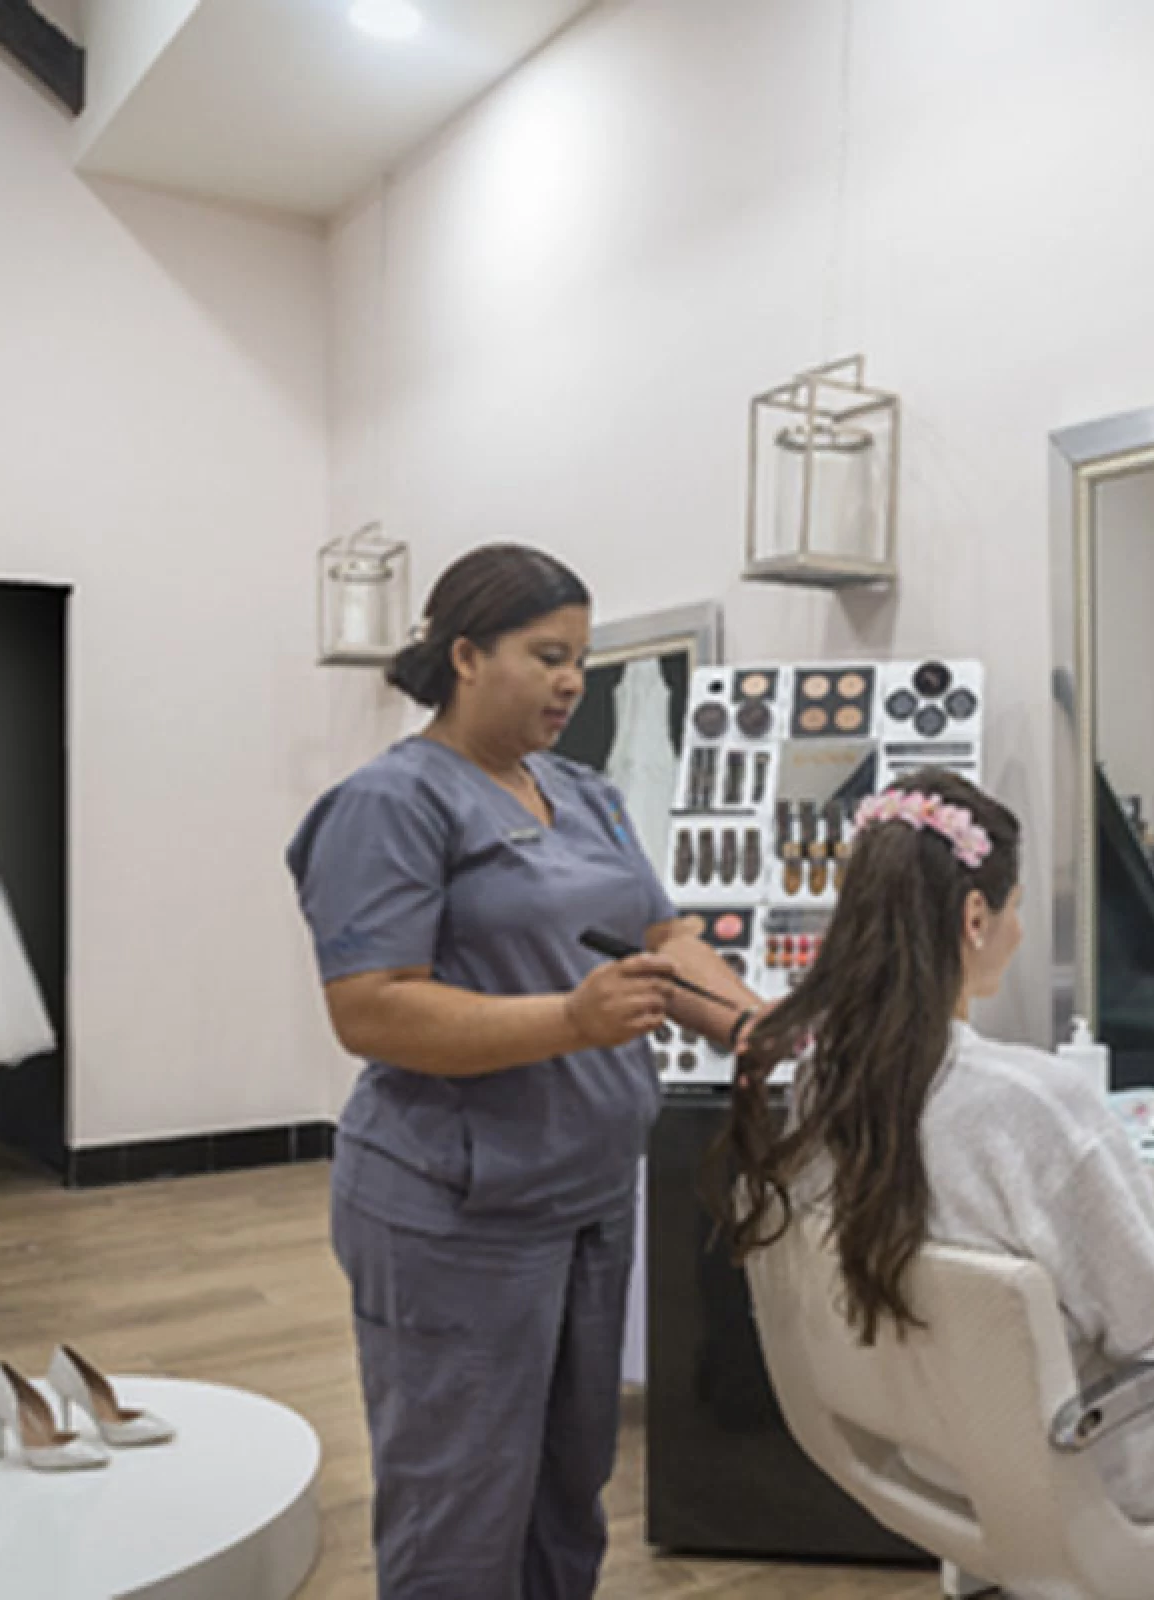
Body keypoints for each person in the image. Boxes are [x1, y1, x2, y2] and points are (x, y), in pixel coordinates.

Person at [712, 770, 1154, 1600]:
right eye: (1014, 907)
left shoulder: (823, 1087)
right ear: (974, 918)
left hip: (933, 1451)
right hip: (1084, 1462)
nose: (1019, 929)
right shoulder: (1030, 1103)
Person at [286, 543, 761, 1600]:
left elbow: (662, 932)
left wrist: (753, 1021)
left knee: (566, 1485)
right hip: (455, 1202)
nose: (568, 683)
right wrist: (571, 1018)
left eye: (580, 662)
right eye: (547, 655)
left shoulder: (581, 792)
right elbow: (369, 1007)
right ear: (463, 655)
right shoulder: (391, 803)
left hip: (586, 1190)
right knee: (460, 1497)